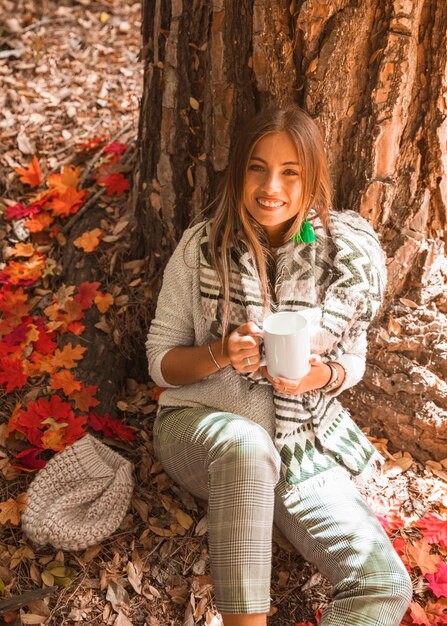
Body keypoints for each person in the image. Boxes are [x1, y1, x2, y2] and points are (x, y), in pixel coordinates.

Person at [146, 106, 412, 626]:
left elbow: (350, 362)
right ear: (239, 171)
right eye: (257, 167)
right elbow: (161, 362)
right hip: (200, 433)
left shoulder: (340, 256)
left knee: (384, 585)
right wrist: (220, 352)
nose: (272, 186)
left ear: (313, 179)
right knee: (246, 445)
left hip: (300, 449)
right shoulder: (201, 248)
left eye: (290, 172)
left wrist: (321, 377)